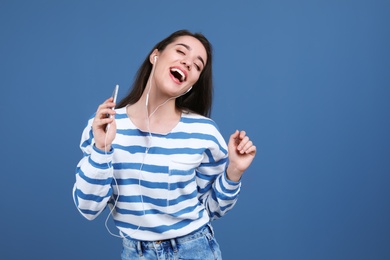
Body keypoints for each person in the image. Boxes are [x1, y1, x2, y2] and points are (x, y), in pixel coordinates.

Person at [72, 29, 256, 260]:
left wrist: (234, 172)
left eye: (197, 66)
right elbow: (88, 208)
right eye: (181, 51)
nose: (188, 63)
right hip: (136, 254)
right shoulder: (104, 126)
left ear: (193, 83)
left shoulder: (203, 132)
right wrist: (102, 149)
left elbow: (211, 208)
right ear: (155, 55)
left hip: (196, 250)